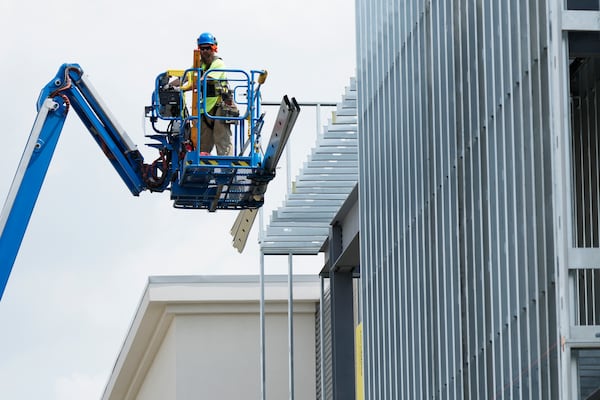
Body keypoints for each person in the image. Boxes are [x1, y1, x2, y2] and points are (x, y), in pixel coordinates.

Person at [169, 32, 235, 155]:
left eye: (208, 48)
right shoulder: (199, 64)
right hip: (205, 108)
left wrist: (182, 89)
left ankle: (226, 165)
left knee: (221, 138)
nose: (205, 51)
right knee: (202, 144)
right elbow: (187, 76)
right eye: (202, 48)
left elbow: (203, 80)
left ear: (214, 48)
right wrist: (170, 86)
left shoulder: (218, 63)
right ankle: (203, 164)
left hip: (219, 105)